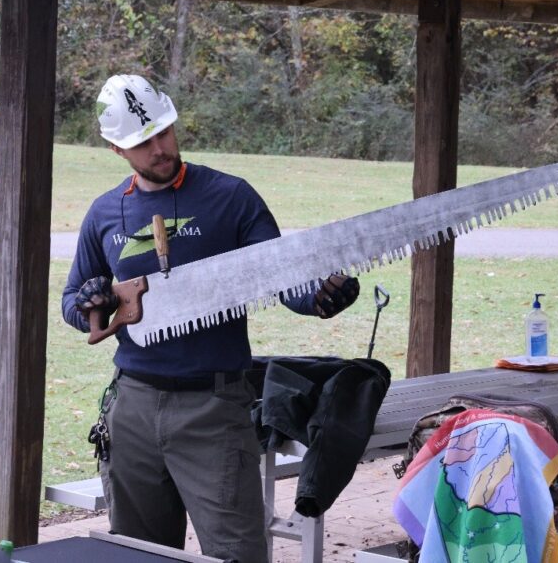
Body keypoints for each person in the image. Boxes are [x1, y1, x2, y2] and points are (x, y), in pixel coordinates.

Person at [61, 73, 360, 562]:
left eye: (164, 132)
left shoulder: (231, 197)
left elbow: (282, 276)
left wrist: (319, 296)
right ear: (118, 150)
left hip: (214, 409)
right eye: (143, 142)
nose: (159, 148)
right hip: (132, 408)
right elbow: (74, 301)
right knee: (140, 555)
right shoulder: (104, 215)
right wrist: (90, 302)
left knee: (235, 554)